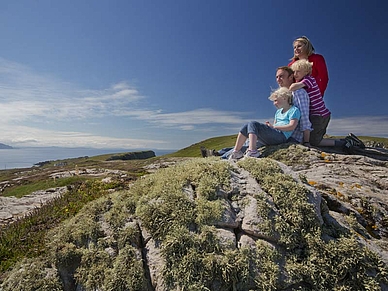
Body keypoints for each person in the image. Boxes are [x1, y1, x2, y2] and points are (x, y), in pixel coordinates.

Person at [289, 59, 364, 150]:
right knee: (314, 137)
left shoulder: (309, 79)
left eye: (298, 71)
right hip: (318, 114)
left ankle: (345, 143)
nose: (295, 74)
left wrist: (288, 89)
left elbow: (293, 87)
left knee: (314, 141)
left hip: (320, 116)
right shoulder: (306, 81)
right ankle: (347, 139)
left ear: (307, 72)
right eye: (294, 72)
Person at [228, 87, 300, 160]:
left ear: (284, 98)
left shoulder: (293, 110)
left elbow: (292, 126)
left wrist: (274, 127)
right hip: (275, 134)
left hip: (282, 136)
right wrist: (269, 127)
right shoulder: (278, 112)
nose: (274, 103)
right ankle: (236, 152)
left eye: (276, 100)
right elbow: (274, 125)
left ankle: (253, 151)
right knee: (247, 126)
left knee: (253, 124)